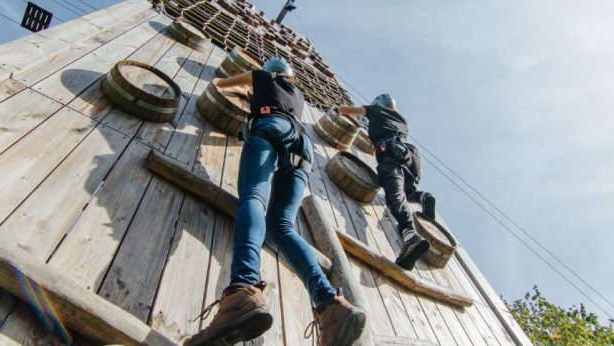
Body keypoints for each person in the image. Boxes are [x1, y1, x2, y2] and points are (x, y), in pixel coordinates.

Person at [185, 57, 366, 346]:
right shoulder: (297, 95)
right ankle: (329, 304)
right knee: (280, 227)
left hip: (269, 126)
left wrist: (235, 89)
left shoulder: (262, 77)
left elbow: (222, 84)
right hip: (301, 148)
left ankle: (243, 288)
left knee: (254, 197)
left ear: (270, 72)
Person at [337, 95, 436, 270]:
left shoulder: (376, 110)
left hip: (389, 151)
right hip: (410, 156)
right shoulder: (402, 120)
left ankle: (410, 235)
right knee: (408, 192)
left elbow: (345, 110)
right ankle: (424, 197)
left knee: (395, 195)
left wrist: (341, 110)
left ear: (378, 104)